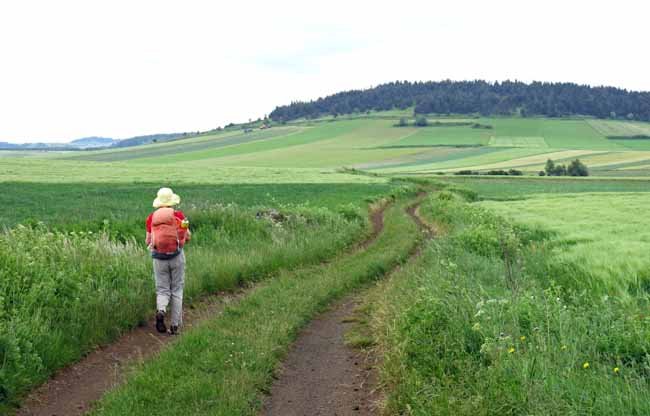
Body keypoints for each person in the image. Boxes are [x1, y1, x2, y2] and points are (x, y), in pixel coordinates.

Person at [145, 187, 191, 335]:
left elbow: (148, 240)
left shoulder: (151, 218)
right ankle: (175, 326)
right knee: (177, 290)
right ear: (172, 201)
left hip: (159, 258)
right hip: (177, 256)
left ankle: (161, 310)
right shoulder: (178, 215)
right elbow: (187, 236)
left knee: (162, 289)